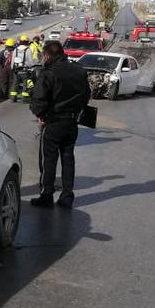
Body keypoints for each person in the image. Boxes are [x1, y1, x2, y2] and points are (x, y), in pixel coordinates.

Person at [29, 40, 91, 209]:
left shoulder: (48, 73)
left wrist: (40, 115)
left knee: (48, 160)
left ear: (47, 55)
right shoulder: (79, 71)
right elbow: (86, 95)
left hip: (53, 121)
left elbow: (39, 99)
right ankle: (67, 196)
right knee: (68, 158)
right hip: (72, 122)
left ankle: (46, 195)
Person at [9, 35, 36, 102]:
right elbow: (30, 61)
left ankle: (13, 97)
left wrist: (12, 68)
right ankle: (25, 98)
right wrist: (32, 67)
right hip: (25, 71)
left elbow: (13, 61)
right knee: (25, 84)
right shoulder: (28, 50)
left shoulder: (16, 50)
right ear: (27, 42)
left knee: (15, 84)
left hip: (17, 70)